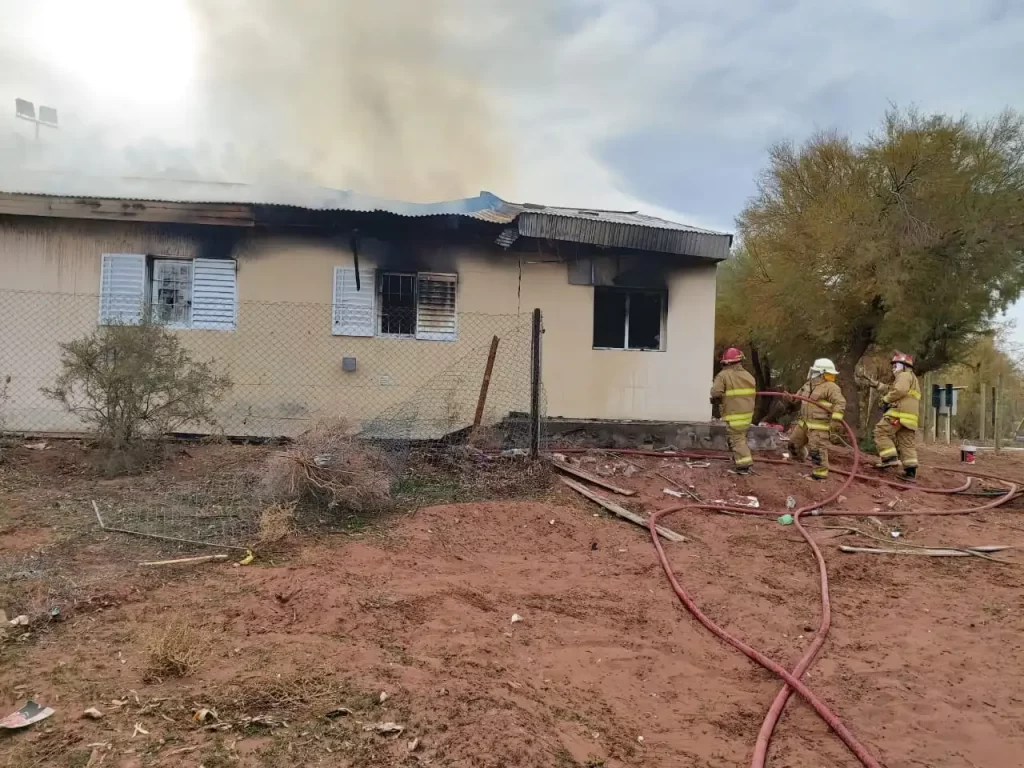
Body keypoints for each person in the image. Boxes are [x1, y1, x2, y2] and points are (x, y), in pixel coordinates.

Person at [788, 358, 847, 480]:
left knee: (817, 450)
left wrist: (836, 420)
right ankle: (798, 461)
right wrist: (790, 398)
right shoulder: (807, 385)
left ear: (820, 372)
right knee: (793, 444)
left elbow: (840, 403)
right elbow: (797, 397)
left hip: (818, 426)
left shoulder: (831, 387)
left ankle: (819, 475)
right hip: (803, 424)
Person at [873, 352, 921, 480]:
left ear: (904, 366)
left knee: (881, 432)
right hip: (910, 418)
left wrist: (886, 400)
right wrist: (878, 385)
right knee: (907, 443)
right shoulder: (913, 378)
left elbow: (899, 390)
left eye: (895, 365)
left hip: (899, 414)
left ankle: (889, 458)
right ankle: (910, 471)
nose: (893, 368)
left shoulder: (904, 375)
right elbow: (895, 389)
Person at [710, 347, 757, 474]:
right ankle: (739, 459)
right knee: (740, 436)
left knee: (737, 438)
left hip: (733, 414)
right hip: (747, 414)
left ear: (726, 362)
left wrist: (715, 399)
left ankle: (744, 464)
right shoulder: (748, 376)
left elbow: (716, 392)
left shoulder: (723, 375)